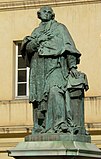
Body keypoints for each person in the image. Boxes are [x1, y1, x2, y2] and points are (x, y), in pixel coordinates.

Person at [21, 6, 81, 134]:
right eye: (44, 12)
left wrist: (72, 66)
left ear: (52, 15)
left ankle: (60, 124)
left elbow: (68, 47)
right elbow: (28, 49)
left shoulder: (60, 28)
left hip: (55, 65)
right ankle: (40, 126)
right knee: (38, 96)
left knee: (55, 90)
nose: (47, 14)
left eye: (49, 12)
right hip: (37, 66)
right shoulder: (36, 32)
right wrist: (38, 41)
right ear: (39, 15)